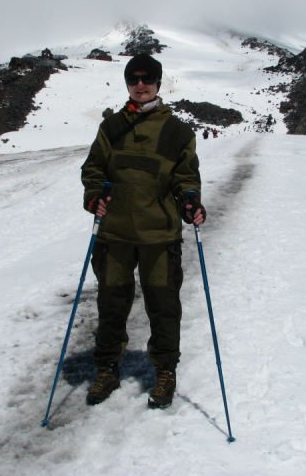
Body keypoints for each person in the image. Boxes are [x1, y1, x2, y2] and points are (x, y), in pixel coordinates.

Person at [81, 53, 206, 410]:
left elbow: (186, 177)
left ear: (158, 82)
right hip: (114, 235)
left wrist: (190, 202)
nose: (140, 85)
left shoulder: (178, 131)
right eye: (133, 79)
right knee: (111, 305)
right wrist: (94, 195)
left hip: (159, 236)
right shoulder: (111, 127)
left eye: (147, 78)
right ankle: (107, 368)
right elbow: (93, 168)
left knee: (164, 307)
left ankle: (165, 372)